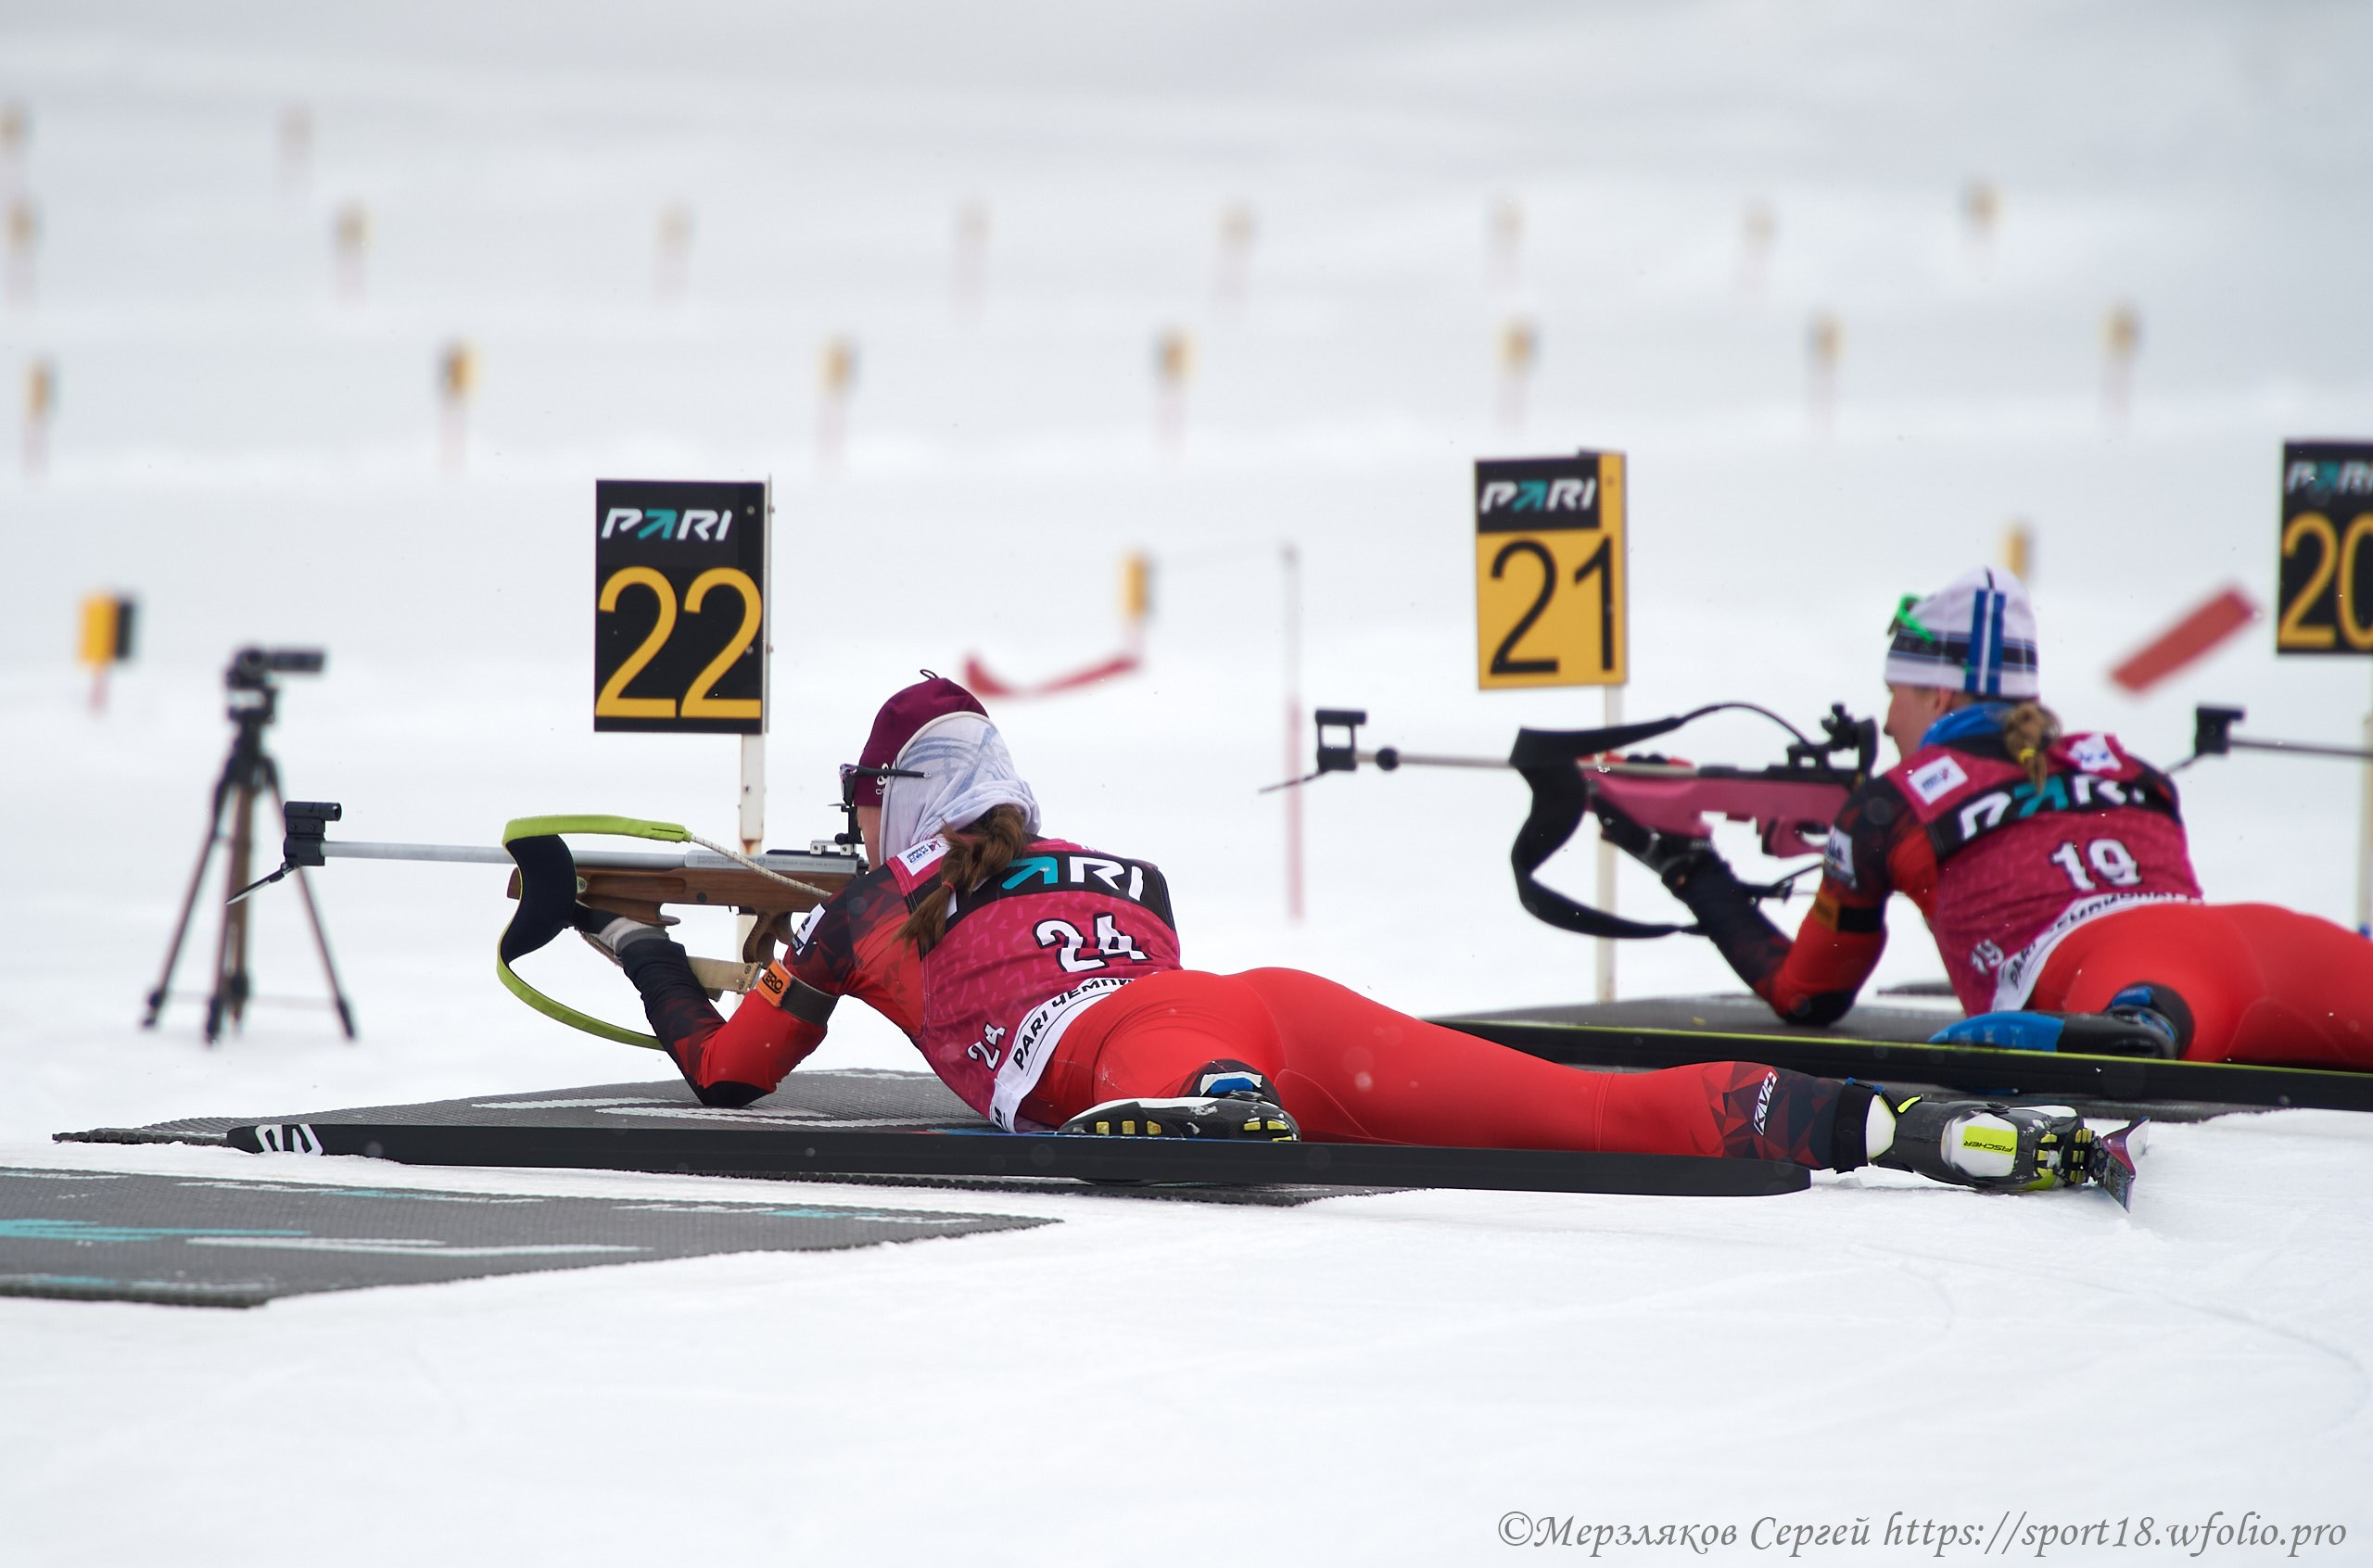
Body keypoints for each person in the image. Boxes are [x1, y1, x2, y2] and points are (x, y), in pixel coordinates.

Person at [577, 675, 2126, 1195]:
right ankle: (1895, 1123)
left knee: (1169, 1072)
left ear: (890, 807)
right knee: (1591, 1114)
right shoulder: (1122, 866)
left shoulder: (866, 909)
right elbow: (1022, 935)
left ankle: (1208, 1117)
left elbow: (728, 1074)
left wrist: (630, 943)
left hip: (1153, 1051)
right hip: (1268, 1005)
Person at [1603, 566, 2373, 1071]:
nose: (1887, 715)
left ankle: (2144, 1019)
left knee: (2137, 1044)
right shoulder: (2126, 765)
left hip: (2128, 975)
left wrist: (1690, 867)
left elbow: (1809, 994)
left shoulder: (1888, 806)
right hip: (2265, 938)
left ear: (1938, 697)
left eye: (1897, 692)